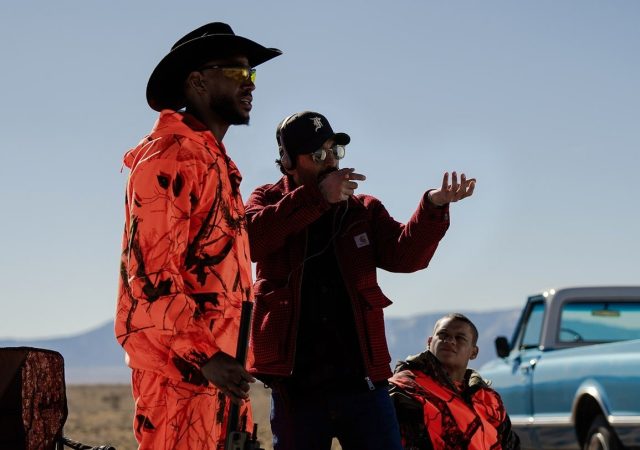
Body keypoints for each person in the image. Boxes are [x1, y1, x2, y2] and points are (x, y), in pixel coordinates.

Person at [244, 111, 476, 450]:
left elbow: (406, 257)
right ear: (288, 161)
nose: (330, 161)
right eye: (318, 154)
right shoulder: (266, 200)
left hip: (363, 385)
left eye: (334, 150)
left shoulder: (363, 209)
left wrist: (432, 206)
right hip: (296, 390)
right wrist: (317, 197)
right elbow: (251, 241)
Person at [114, 22, 281, 450]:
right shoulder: (170, 157)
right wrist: (206, 355)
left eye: (252, 73)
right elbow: (151, 276)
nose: (250, 84)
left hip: (220, 373)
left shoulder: (213, 161)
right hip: (181, 377)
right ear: (198, 81)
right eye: (237, 72)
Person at [389, 313, 521, 450]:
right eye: (443, 335)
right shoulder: (404, 390)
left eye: (460, 338)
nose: (450, 340)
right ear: (429, 342)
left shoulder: (488, 399)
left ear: (473, 352)